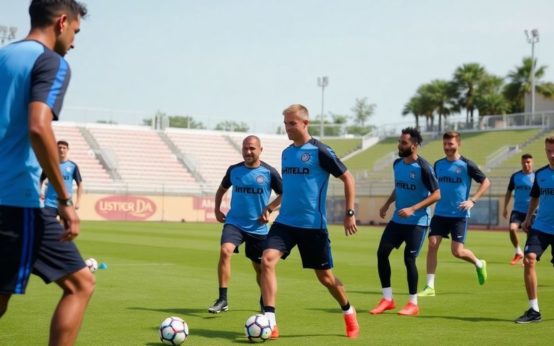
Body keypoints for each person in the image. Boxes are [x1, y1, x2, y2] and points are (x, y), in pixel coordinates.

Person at [0, 1, 95, 345]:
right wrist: (66, 200)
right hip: (15, 200)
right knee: (80, 284)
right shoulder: (50, 61)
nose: (73, 42)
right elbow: (39, 128)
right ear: (62, 22)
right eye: (75, 32)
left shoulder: (4, 56)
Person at [260, 104, 359, 339]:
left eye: (292, 123)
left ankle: (348, 310)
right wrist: (271, 206)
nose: (288, 128)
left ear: (305, 123)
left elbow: (348, 177)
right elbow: (291, 190)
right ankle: (270, 321)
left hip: (313, 226)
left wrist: (350, 212)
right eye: (285, 123)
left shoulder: (320, 151)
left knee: (326, 278)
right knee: (267, 260)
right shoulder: (286, 153)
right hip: (285, 223)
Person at [208, 135, 282, 314]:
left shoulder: (269, 172)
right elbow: (221, 189)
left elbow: (285, 194)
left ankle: (264, 300)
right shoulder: (234, 170)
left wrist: (270, 208)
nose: (248, 152)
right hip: (235, 223)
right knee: (225, 251)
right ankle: (223, 299)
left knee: (260, 268)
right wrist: (217, 209)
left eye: (252, 149)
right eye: (245, 148)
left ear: (260, 150)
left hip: (258, 228)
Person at [370, 127, 440, 316]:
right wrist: (386, 204)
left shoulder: (424, 167)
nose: (399, 145)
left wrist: (413, 209)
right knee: (381, 253)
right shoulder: (397, 164)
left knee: (409, 260)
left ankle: (413, 303)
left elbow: (436, 194)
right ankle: (387, 299)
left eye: (403, 142)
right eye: (399, 141)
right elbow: (398, 188)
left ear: (414, 146)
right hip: (397, 220)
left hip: (418, 222)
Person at [418, 131, 491, 297]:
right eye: (445, 144)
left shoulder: (467, 165)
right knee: (432, 244)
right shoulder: (438, 165)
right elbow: (433, 187)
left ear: (458, 144)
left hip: (459, 215)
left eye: (450, 144)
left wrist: (473, 200)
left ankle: (479, 264)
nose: (447, 147)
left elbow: (486, 182)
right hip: (440, 214)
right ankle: (430, 286)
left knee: (457, 252)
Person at [515, 137, 554, 323]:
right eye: (548, 151)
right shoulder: (540, 174)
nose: (552, 155)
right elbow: (535, 198)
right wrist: (528, 218)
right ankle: (534, 310)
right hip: (541, 227)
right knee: (529, 259)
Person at [502, 154, 534, 265]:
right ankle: (518, 252)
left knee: (530, 234)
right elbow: (509, 192)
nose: (526, 164)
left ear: (532, 163)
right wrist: (505, 207)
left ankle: (527, 256)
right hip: (518, 211)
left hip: (532, 212)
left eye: (528, 162)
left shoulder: (537, 177)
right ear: (521, 163)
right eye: (524, 162)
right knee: (512, 228)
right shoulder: (515, 176)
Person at [40, 140, 84, 212]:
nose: (62, 150)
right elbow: (40, 179)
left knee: (67, 223)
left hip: (66, 202)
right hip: (49, 202)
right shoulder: (50, 164)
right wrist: (39, 192)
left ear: (67, 149)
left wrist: (78, 201)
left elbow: (80, 184)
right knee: (47, 222)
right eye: (60, 147)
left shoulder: (73, 166)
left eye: (64, 148)